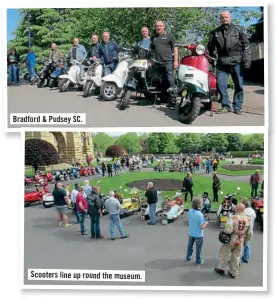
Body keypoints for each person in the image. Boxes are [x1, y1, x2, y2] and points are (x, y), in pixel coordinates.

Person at [207, 10, 251, 114]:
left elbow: (246, 45)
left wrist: (247, 60)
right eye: (222, 17)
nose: (224, 19)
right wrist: (212, 59)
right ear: (220, 19)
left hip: (237, 61)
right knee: (221, 85)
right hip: (222, 62)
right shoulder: (215, 32)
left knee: (239, 85)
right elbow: (210, 47)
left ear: (230, 18)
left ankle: (237, 107)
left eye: (226, 17)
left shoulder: (239, 29)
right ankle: (226, 106)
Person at [214, 203, 253, 279]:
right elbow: (250, 233)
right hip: (241, 239)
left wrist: (224, 230)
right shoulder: (248, 219)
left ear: (237, 209)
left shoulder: (232, 217)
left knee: (224, 254)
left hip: (232, 238)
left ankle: (221, 269)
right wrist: (246, 240)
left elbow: (228, 230)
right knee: (236, 256)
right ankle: (233, 273)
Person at [150, 20, 179, 109]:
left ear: (164, 27)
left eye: (160, 26)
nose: (158, 27)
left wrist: (176, 61)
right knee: (161, 82)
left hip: (168, 62)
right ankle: (164, 100)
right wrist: (150, 61)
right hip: (157, 63)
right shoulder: (153, 38)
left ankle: (173, 101)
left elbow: (175, 48)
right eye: (157, 26)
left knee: (171, 81)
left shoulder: (169, 35)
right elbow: (151, 51)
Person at [186, 198, 209, 267]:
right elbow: (202, 227)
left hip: (191, 233)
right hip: (199, 235)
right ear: (199, 205)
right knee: (198, 248)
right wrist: (206, 223)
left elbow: (189, 219)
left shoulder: (190, 211)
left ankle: (188, 257)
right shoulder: (200, 215)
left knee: (190, 246)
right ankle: (198, 261)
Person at [241, 198, 256, 263]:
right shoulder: (252, 211)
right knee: (247, 244)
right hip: (250, 230)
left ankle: (238, 260)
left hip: (243, 230)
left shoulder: (243, 211)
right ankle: (246, 257)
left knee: (240, 244)